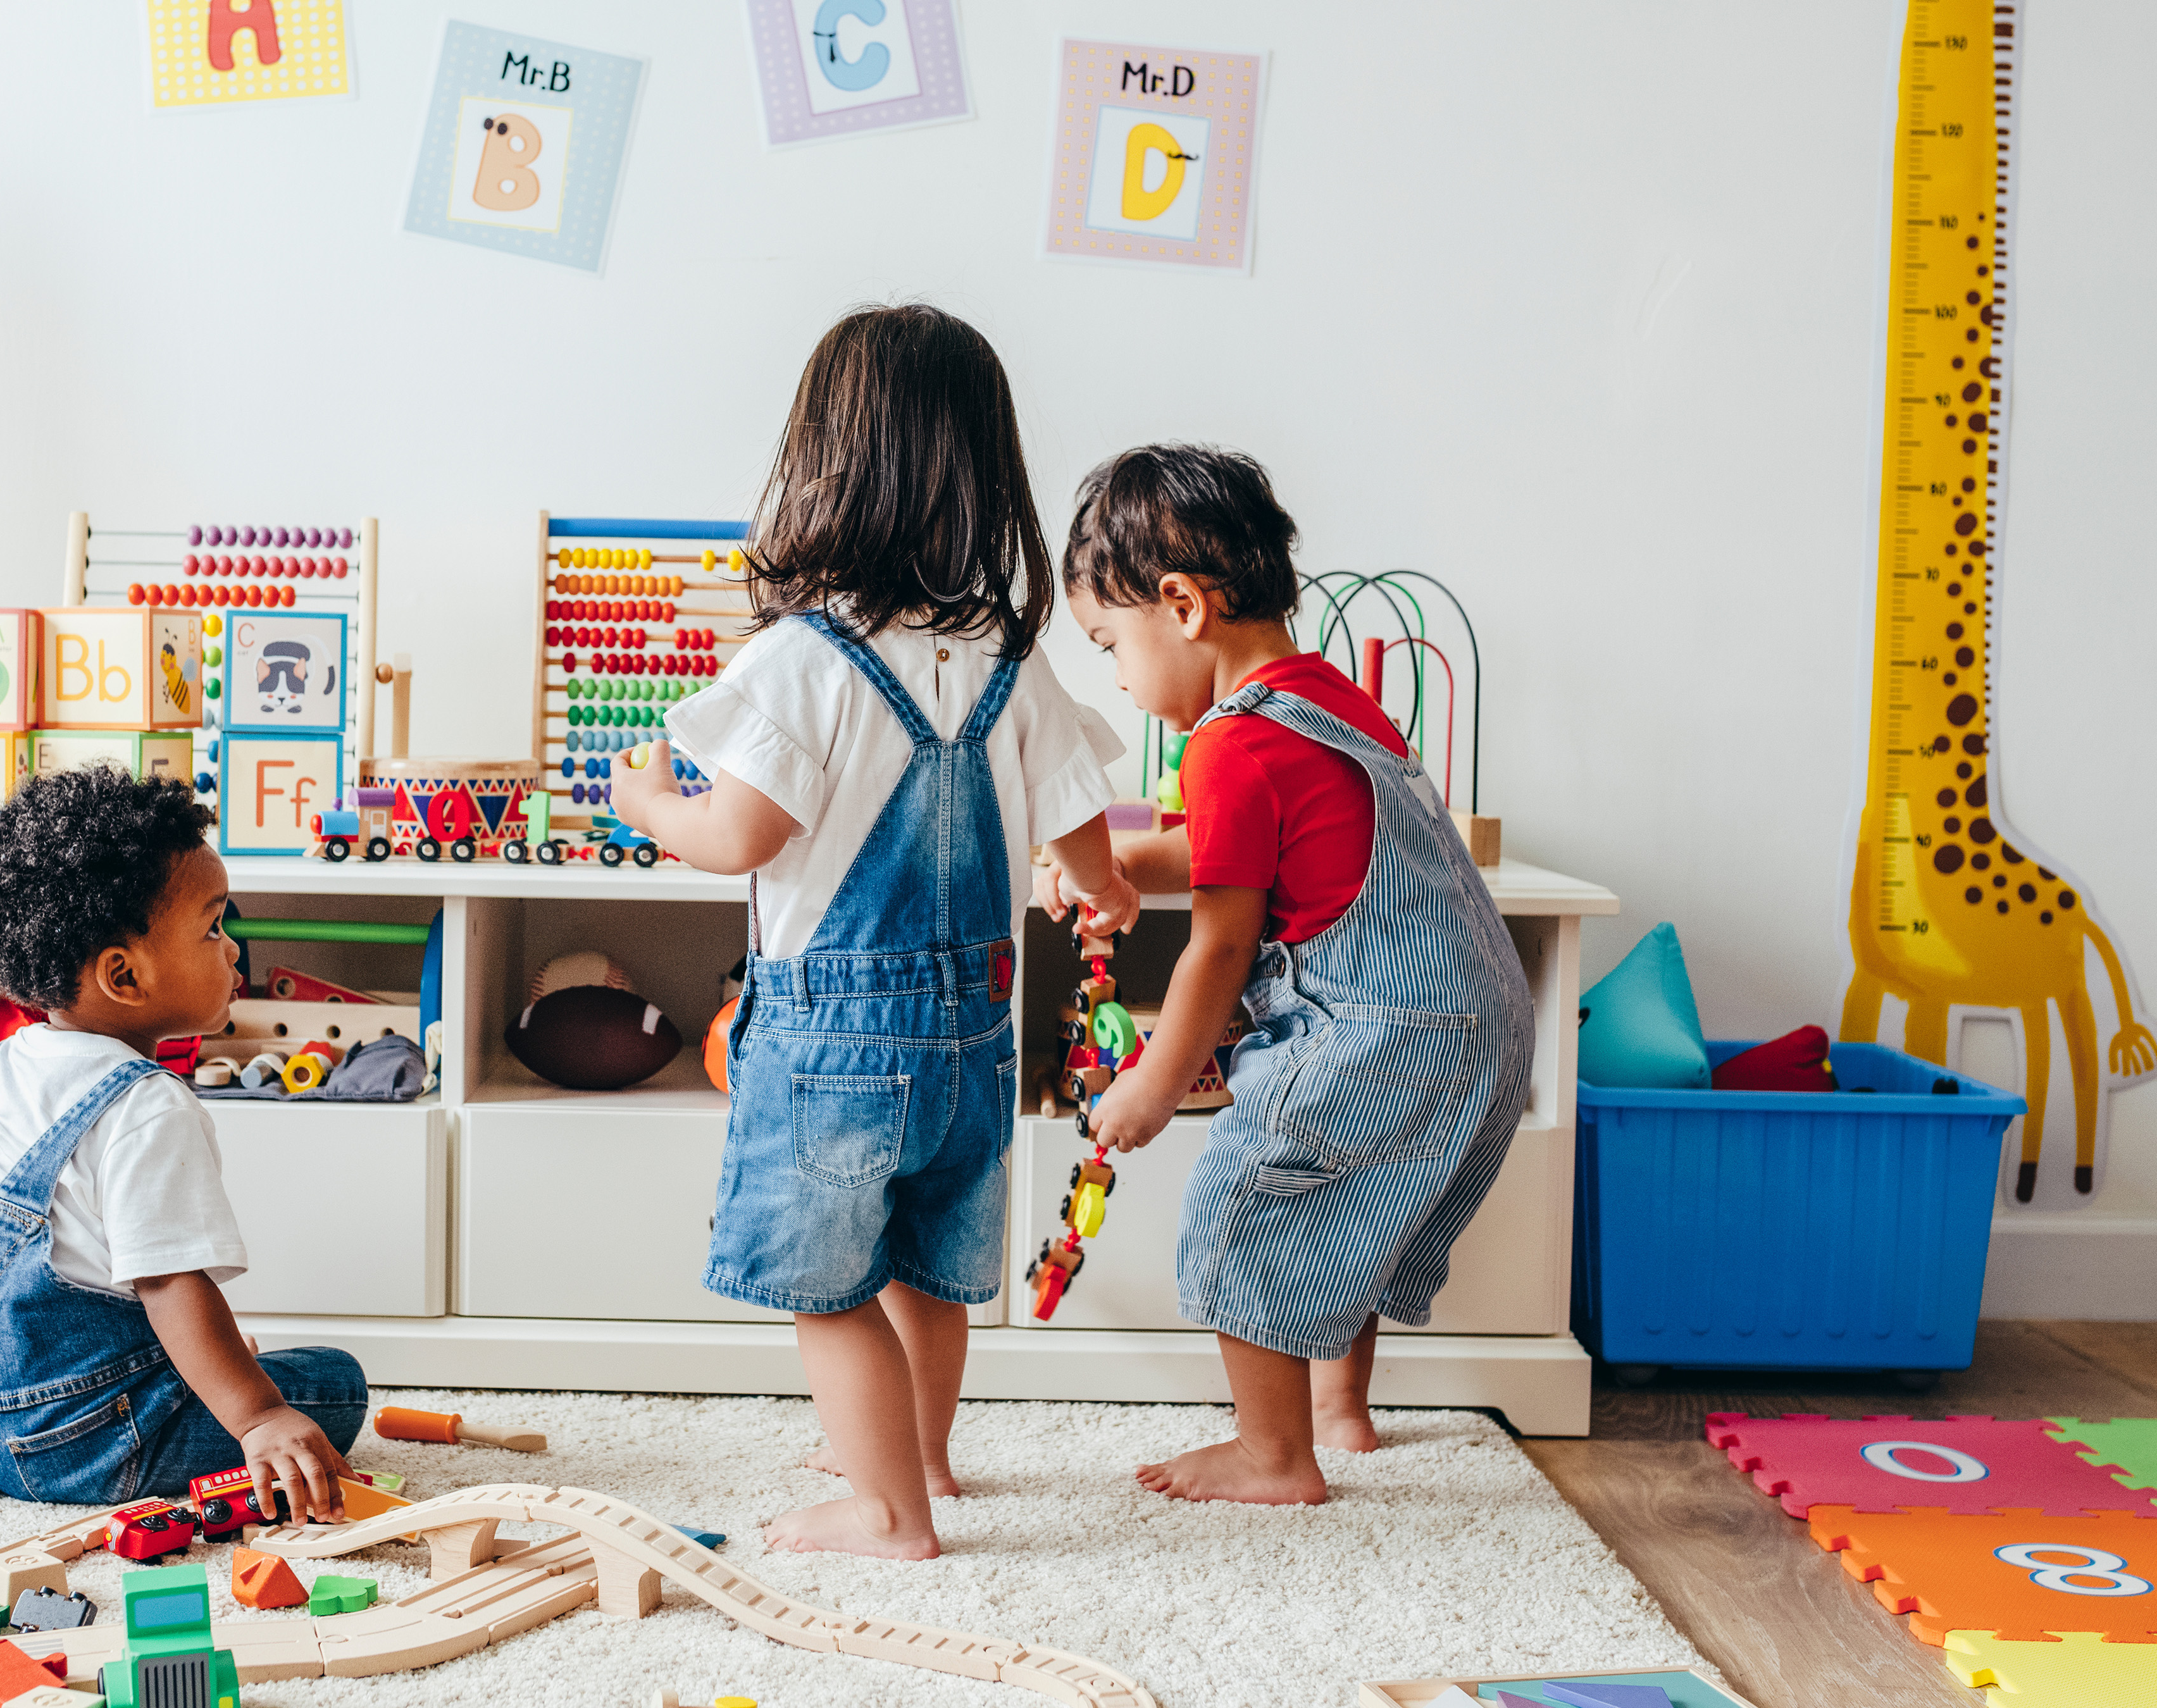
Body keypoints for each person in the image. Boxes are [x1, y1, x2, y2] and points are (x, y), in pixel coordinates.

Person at [611, 303, 1140, 1557]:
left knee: (830, 1289)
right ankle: (927, 1460)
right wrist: (1098, 890)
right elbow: (1082, 835)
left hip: (835, 1042)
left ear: (823, 466)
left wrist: (645, 804)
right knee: (927, 1267)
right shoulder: (1011, 656)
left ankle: (888, 1510)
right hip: (974, 1035)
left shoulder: (806, 658)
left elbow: (738, 835)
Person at [1050, 443, 1532, 1505]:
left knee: (1247, 1199)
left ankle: (1273, 1458)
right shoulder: (1327, 702)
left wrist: (1156, 1082)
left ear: (1180, 607)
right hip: (1478, 1017)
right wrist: (1122, 861)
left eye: (1110, 647)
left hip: (1383, 1024)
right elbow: (1248, 847)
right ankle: (1339, 1411)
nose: (1121, 682)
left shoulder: (1224, 747)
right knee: (1344, 1204)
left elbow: (1221, 943)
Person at [0, 765, 364, 1519]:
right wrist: (258, 1417)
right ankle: (229, 1406)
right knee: (334, 1385)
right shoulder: (148, 1107)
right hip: (91, 1444)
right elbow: (171, 1287)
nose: (233, 951)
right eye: (213, 927)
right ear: (124, 975)